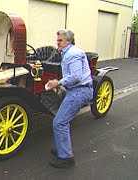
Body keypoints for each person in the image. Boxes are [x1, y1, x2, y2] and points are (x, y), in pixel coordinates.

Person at [46, 29, 93, 168]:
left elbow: (76, 76)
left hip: (79, 91)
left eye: (60, 41)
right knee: (60, 118)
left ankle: (66, 157)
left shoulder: (72, 54)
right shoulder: (69, 53)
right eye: (57, 40)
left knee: (59, 122)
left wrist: (58, 82)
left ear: (68, 41)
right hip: (75, 90)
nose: (57, 43)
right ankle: (60, 148)